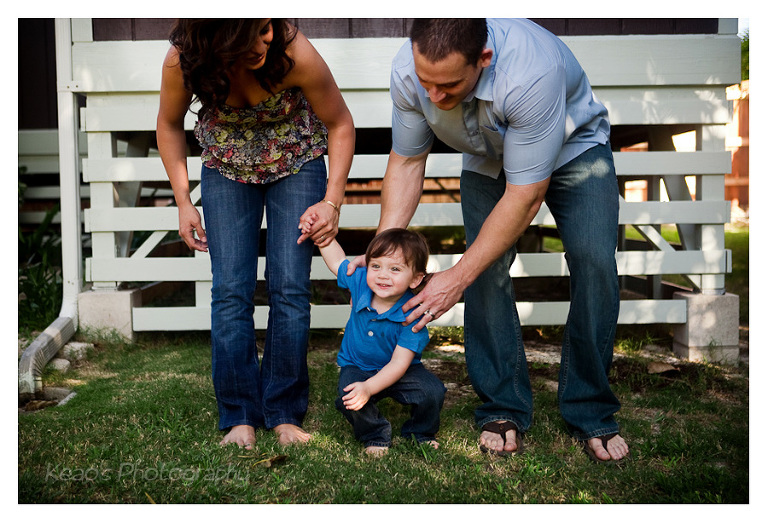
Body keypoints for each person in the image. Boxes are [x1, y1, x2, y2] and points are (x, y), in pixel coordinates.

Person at [351, 18, 629, 463]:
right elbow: (406, 161)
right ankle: (502, 406)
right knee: (485, 272)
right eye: (427, 85)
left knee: (594, 261)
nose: (434, 97)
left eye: (448, 85)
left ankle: (590, 408)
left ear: (484, 59)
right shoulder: (409, 71)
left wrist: (455, 277)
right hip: (487, 155)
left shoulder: (531, 73)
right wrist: (382, 253)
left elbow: (526, 194)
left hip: (574, 150)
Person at [157, 19, 355, 449]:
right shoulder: (184, 61)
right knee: (230, 289)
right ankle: (240, 415)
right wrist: (184, 201)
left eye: (269, 26)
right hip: (226, 167)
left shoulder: (293, 52)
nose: (268, 38)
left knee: (290, 287)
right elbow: (169, 125)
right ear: (220, 35)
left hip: (296, 163)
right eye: (256, 30)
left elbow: (340, 122)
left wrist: (332, 202)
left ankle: (283, 411)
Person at [301, 224, 446, 456]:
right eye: (376, 266)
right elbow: (337, 261)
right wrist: (322, 237)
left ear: (415, 279)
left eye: (395, 269)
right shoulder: (360, 284)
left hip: (401, 370)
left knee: (433, 391)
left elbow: (399, 364)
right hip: (357, 366)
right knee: (349, 394)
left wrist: (370, 388)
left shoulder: (414, 314)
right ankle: (375, 434)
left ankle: (421, 432)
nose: (382, 275)